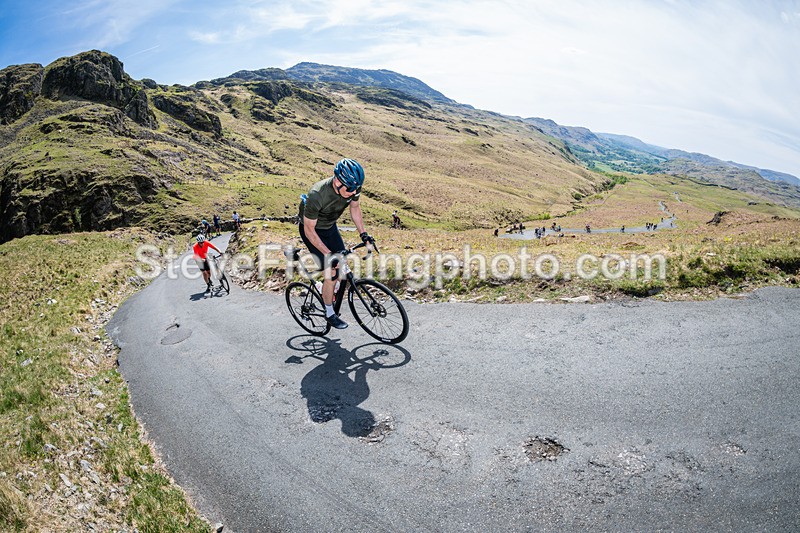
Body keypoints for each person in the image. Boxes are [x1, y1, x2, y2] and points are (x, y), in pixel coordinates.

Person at [298, 158, 374, 329]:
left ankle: (326, 288)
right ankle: (329, 312)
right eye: (349, 190)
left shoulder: (353, 186)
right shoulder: (317, 194)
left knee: (342, 263)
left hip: (330, 227)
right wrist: (327, 254)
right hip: (312, 231)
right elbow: (310, 230)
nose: (353, 193)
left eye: (356, 190)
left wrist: (364, 234)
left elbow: (354, 208)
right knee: (331, 270)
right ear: (338, 181)